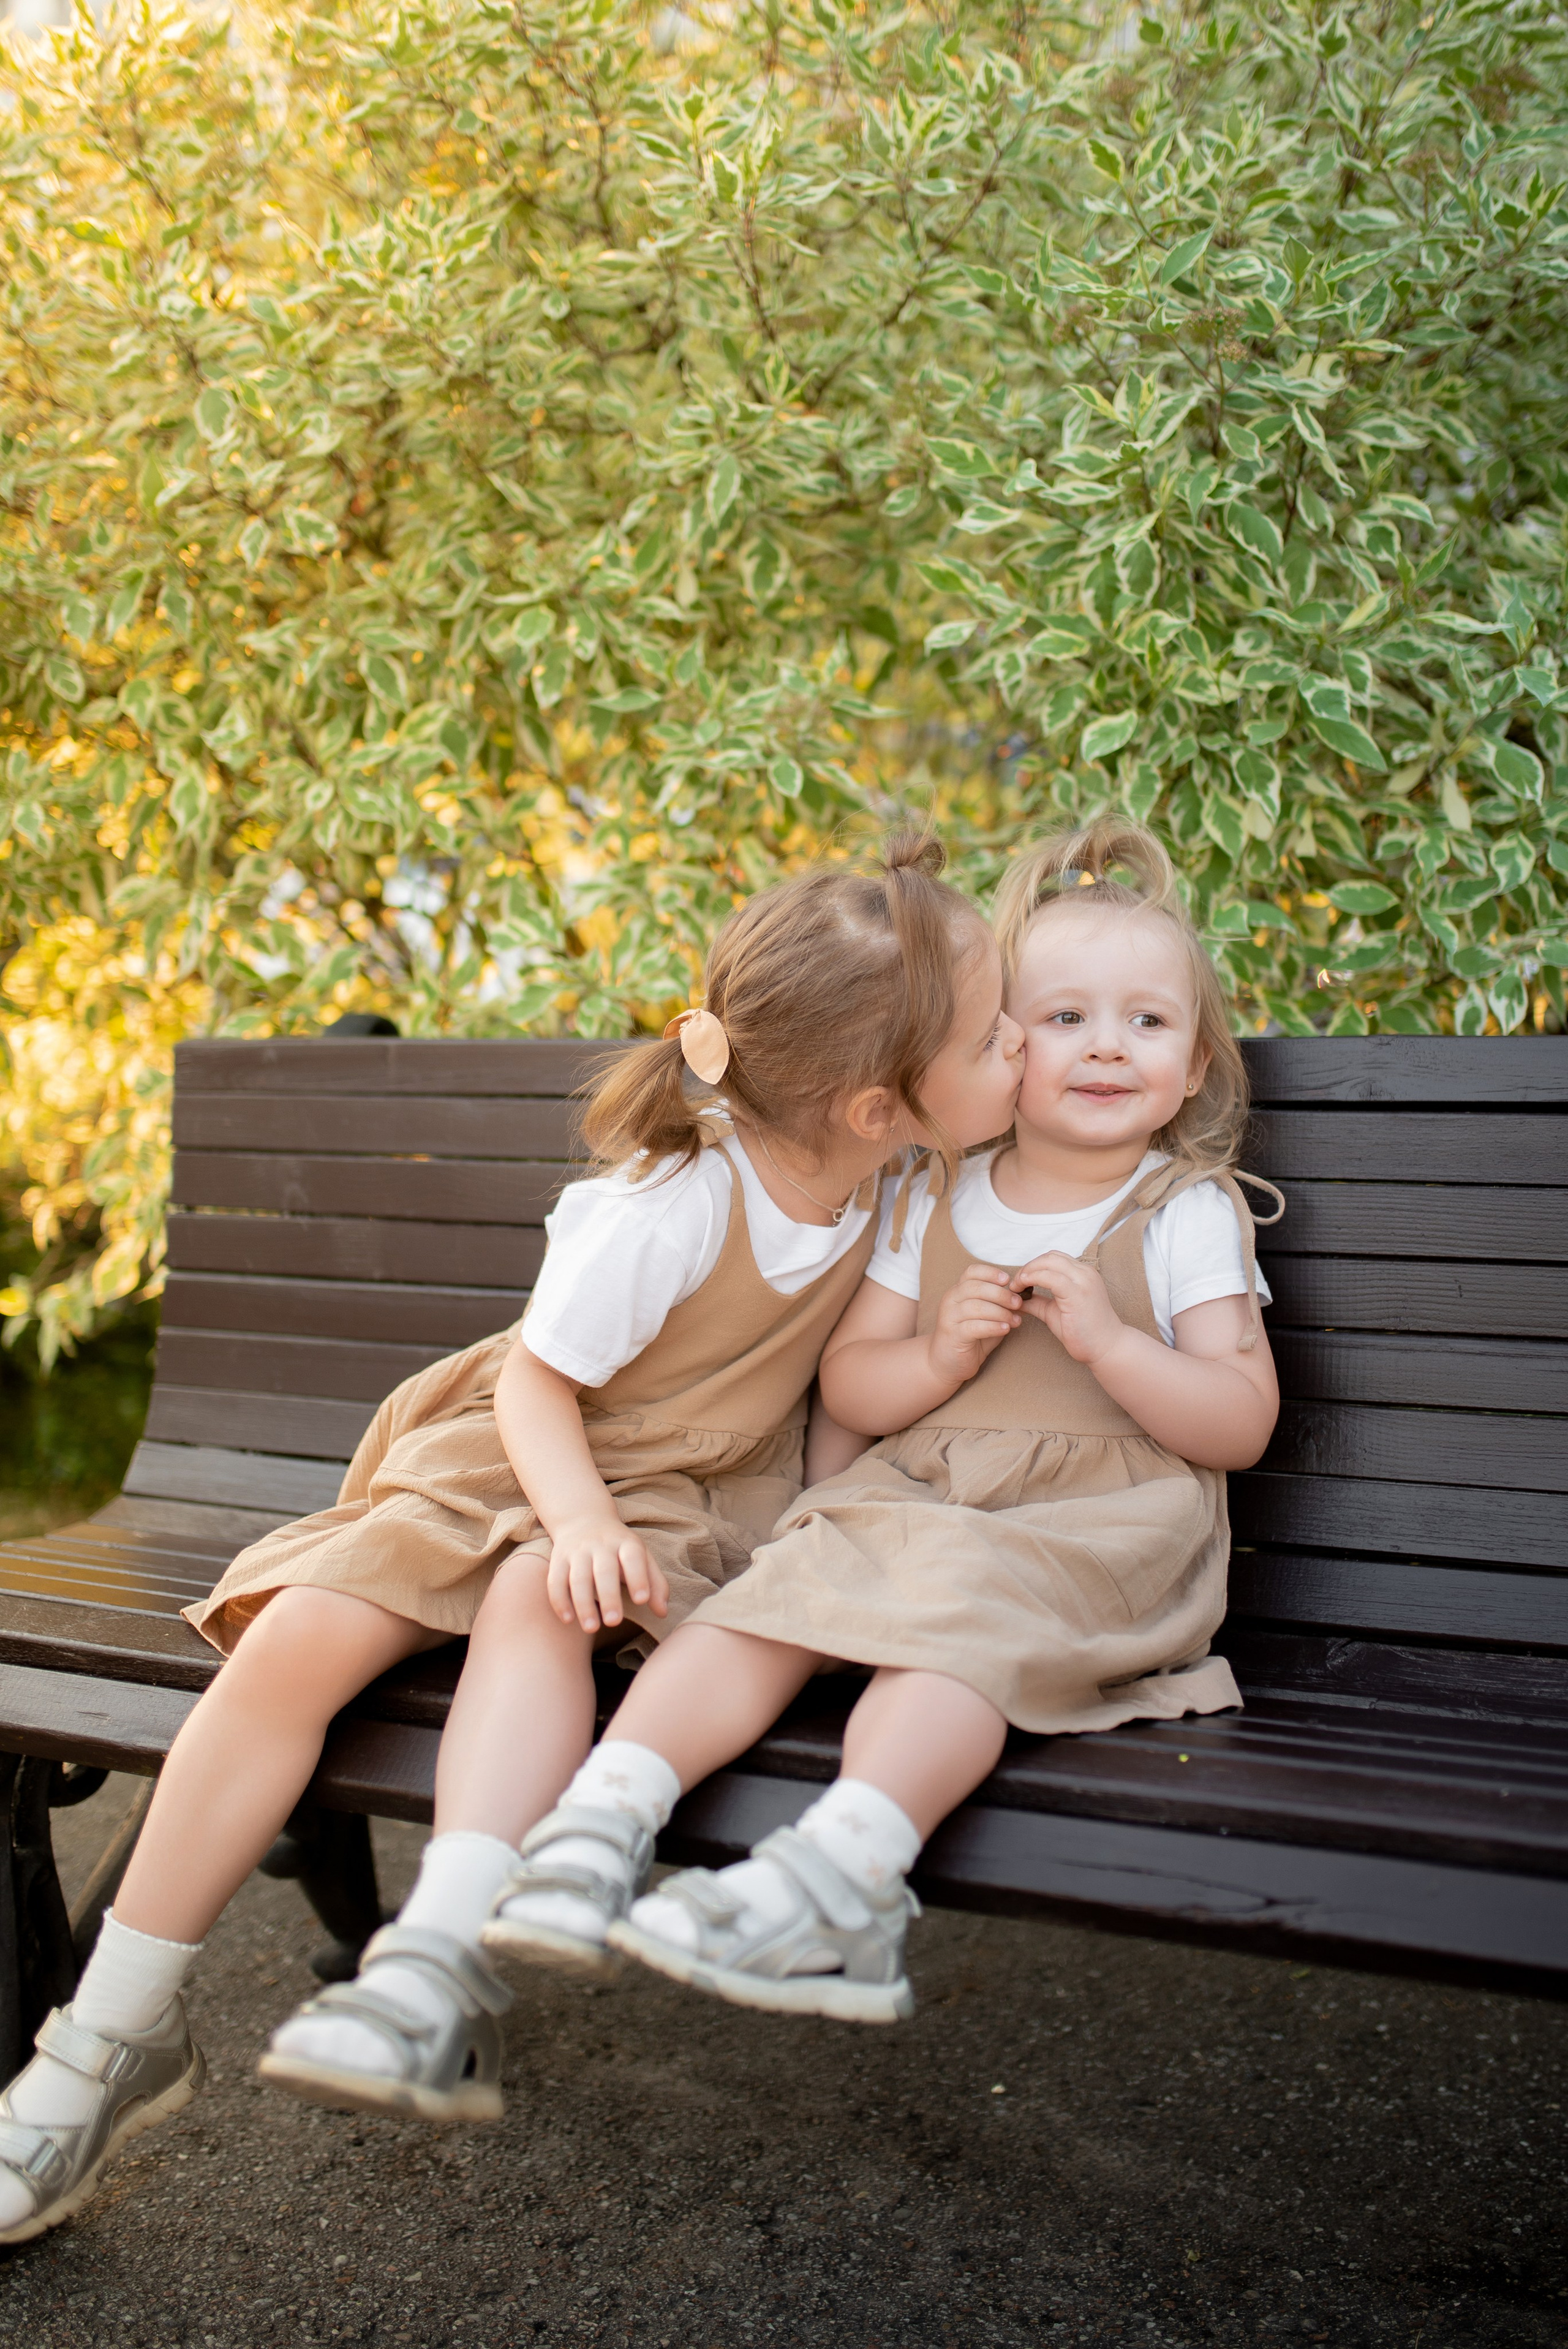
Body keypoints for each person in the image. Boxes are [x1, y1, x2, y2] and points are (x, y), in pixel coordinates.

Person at [0, 834, 1025, 2242]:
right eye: (995, 1031)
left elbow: (842, 1390)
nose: (1021, 1044)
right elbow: (539, 1388)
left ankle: (433, 1956)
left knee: (544, 1598)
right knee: (303, 1639)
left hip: (679, 1492)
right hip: (532, 1454)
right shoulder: (672, 1201)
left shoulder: (894, 1186)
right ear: (869, 1102)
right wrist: (582, 1512)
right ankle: (104, 2041)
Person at [484, 818, 1283, 2024]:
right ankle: (601, 1817)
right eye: (1061, 1018)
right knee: (777, 1590)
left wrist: (1114, 1346)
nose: (1105, 1047)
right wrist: (940, 1353)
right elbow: (852, 1384)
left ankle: (847, 1870)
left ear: (1194, 1058)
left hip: (1098, 1523)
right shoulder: (932, 1188)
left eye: (1147, 1021)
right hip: (923, 1499)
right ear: (1001, 1044)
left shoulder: (1182, 1210)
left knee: (946, 1632)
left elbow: (1237, 1422)